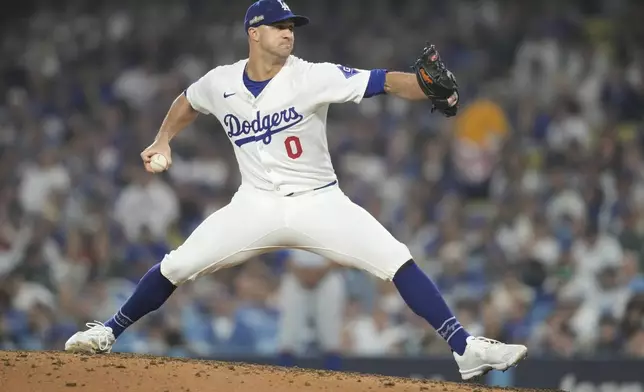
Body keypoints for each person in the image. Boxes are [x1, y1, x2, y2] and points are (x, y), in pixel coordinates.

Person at [65, 0, 527, 380]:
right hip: (255, 204)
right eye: (279, 26)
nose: (289, 33)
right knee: (178, 264)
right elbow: (187, 102)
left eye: (292, 26)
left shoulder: (310, 75)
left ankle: (464, 348)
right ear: (254, 32)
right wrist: (162, 138)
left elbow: (384, 81)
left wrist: (429, 90)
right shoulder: (220, 82)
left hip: (319, 201)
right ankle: (108, 331)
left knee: (395, 257)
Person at [276, 250, 346, 370]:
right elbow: (279, 245)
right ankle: (283, 385)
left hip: (328, 275)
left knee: (331, 337)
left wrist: (321, 271)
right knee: (288, 337)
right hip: (295, 275)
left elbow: (347, 249)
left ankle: (334, 385)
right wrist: (299, 271)